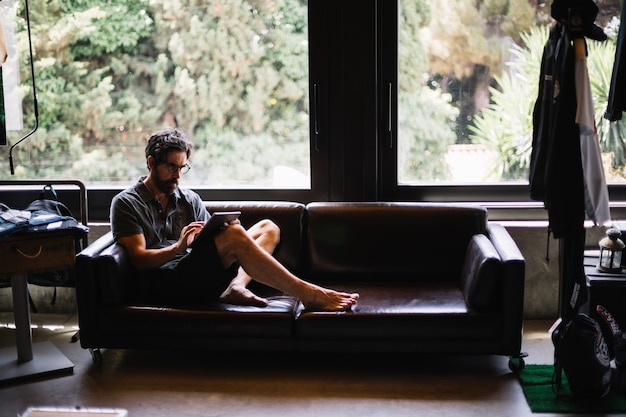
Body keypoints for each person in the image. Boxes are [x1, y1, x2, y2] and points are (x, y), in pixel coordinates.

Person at [110, 127, 359, 311]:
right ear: (151, 163)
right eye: (171, 167)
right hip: (164, 282)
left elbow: (205, 242)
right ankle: (308, 292)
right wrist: (178, 246)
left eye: (182, 168)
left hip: (194, 274)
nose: (177, 176)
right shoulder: (126, 203)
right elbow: (140, 261)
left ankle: (236, 286)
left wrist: (221, 233)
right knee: (234, 237)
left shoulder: (189, 199)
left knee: (268, 228)